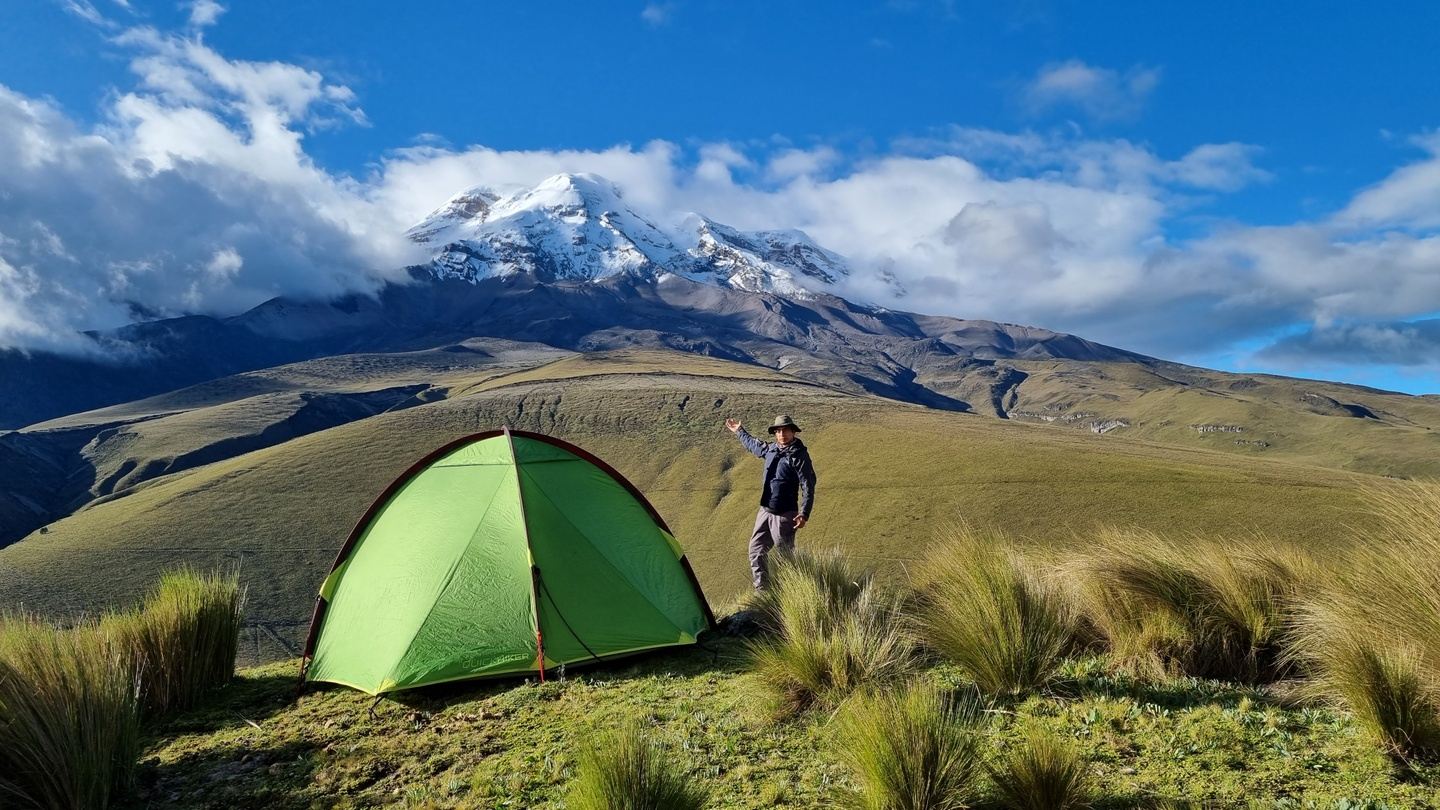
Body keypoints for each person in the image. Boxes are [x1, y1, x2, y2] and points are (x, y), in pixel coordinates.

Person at [724, 414, 817, 591]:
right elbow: (754, 446)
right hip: (765, 511)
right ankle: (763, 591)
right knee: (756, 550)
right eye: (779, 431)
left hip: (785, 514)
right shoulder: (771, 449)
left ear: (793, 432)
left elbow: (808, 485)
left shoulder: (800, 456)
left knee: (785, 557)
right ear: (775, 433)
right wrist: (739, 431)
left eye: (786, 430)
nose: (782, 434)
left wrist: (804, 513)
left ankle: (793, 592)